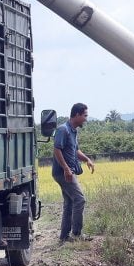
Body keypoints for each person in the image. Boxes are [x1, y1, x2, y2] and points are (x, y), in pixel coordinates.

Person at [51, 102, 95, 243]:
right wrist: (66, 169)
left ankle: (64, 236)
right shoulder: (63, 130)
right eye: (84, 116)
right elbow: (57, 150)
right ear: (77, 114)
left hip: (68, 171)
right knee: (80, 199)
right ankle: (76, 234)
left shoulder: (73, 131)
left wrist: (87, 159)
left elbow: (75, 150)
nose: (86, 119)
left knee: (69, 202)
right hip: (63, 172)